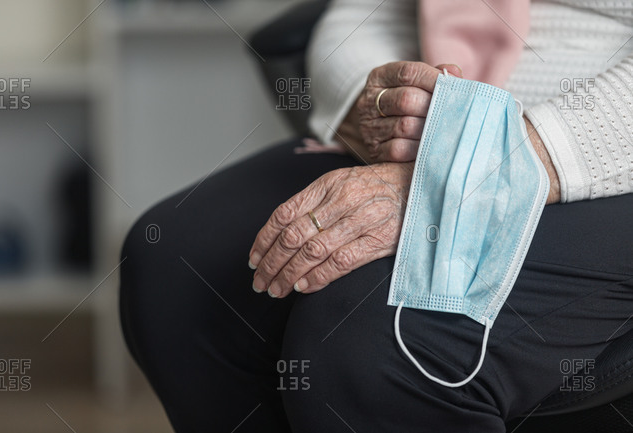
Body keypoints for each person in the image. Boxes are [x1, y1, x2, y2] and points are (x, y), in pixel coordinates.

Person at [119, 0, 633, 431]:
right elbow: (353, 16)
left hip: (590, 153)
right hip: (421, 130)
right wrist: (370, 108)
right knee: (174, 263)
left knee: (371, 347)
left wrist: (468, 166)